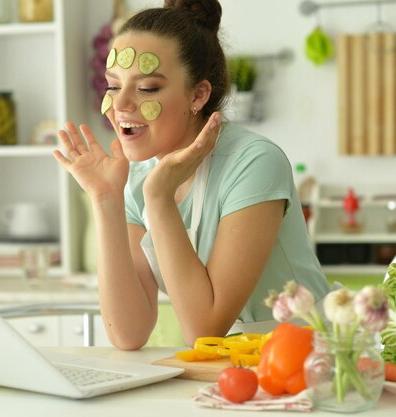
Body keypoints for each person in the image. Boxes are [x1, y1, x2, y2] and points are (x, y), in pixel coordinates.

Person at [53, 0, 330, 350]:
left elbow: (204, 331)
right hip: (222, 374)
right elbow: (128, 333)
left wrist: (160, 198)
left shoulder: (254, 163)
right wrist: (106, 200)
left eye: (147, 88)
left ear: (198, 95)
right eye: (112, 86)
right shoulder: (136, 176)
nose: (121, 104)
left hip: (305, 360)